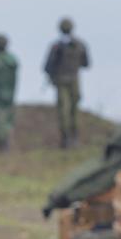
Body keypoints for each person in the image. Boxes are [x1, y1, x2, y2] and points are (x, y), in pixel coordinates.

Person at [44, 17, 90, 148]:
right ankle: (73, 138)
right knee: (73, 110)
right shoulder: (80, 45)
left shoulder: (57, 46)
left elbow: (47, 66)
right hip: (73, 80)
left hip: (62, 81)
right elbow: (86, 63)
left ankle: (67, 139)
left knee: (64, 110)